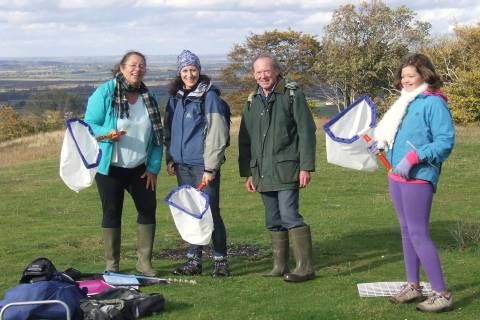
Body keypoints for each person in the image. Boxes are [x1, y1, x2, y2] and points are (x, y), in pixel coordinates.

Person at [371, 53, 455, 312]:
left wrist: (415, 156)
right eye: (403, 76)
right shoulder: (405, 102)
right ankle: (414, 287)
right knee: (406, 232)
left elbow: (445, 142)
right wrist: (382, 144)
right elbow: (400, 134)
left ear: (424, 76)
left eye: (411, 76)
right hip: (397, 175)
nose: (405, 80)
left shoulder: (433, 103)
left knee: (418, 233)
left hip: (419, 176)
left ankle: (441, 293)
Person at [238, 54, 317, 282]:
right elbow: (245, 139)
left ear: (276, 72)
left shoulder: (292, 95)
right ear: (254, 75)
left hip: (287, 170)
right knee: (272, 219)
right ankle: (279, 265)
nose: (263, 76)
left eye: (267, 71)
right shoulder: (252, 101)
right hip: (262, 172)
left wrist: (306, 167)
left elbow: (306, 132)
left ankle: (305, 267)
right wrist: (248, 173)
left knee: (290, 215)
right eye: (258, 72)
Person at [84, 51, 163, 277]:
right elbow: (88, 125)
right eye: (132, 65)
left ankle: (144, 263)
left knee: (148, 209)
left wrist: (153, 168)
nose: (137, 69)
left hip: (140, 169)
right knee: (111, 212)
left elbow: (157, 137)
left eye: (141, 65)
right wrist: (108, 134)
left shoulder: (149, 97)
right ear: (122, 67)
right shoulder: (105, 93)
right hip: (110, 169)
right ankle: (112, 265)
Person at [164, 50, 230, 277]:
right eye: (185, 70)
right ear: (179, 73)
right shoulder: (176, 98)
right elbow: (169, 131)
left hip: (203, 166)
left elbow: (217, 134)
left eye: (193, 69)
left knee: (211, 212)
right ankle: (194, 261)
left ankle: (221, 261)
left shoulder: (209, 96)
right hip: (183, 166)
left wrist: (211, 167)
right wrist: (170, 158)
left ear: (199, 71)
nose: (189, 74)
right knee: (191, 212)